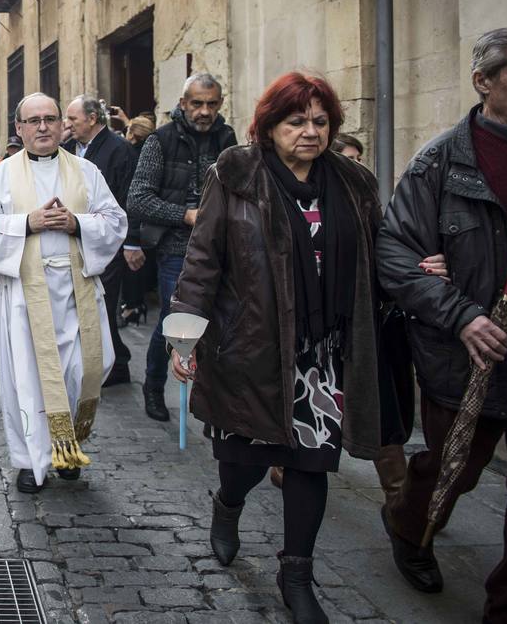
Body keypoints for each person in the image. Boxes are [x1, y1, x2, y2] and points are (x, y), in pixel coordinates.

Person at [168, 71, 383, 624]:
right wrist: (185, 336)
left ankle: (298, 574)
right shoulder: (236, 175)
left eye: (320, 121)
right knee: (244, 462)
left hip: (322, 356)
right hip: (251, 348)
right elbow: (203, 259)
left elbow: (378, 255)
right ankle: (228, 504)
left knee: (311, 466)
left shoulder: (354, 183)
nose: (310, 132)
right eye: (297, 121)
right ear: (269, 127)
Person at [377, 26, 507, 622]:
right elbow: (395, 253)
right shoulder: (442, 161)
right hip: (472, 353)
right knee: (455, 470)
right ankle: (406, 521)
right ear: (484, 82)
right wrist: (461, 314)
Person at [0, 93, 127, 493]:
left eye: (50, 119)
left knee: (86, 369)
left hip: (78, 293)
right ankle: (29, 461)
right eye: (33, 120)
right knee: (28, 379)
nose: (42, 127)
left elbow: (114, 220)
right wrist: (26, 223)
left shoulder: (87, 172)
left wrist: (76, 223)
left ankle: (66, 445)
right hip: (24, 296)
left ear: (62, 126)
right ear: (18, 129)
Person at [128, 72, 237, 422]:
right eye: (197, 103)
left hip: (222, 246)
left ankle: (212, 397)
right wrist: (185, 215)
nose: (204, 111)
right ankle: (154, 386)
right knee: (174, 321)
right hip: (176, 247)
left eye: (211, 104)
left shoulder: (228, 138)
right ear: (182, 103)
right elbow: (138, 199)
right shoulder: (159, 140)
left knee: (221, 321)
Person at [63, 95, 138, 386]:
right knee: (87, 305)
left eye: (73, 119)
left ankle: (107, 365)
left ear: (92, 119)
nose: (68, 125)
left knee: (101, 306)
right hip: (77, 237)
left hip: (107, 242)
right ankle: (117, 360)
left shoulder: (120, 150)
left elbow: (128, 199)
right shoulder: (68, 149)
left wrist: (131, 241)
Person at [119, 113, 157, 330]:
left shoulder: (130, 154)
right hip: (149, 223)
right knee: (142, 266)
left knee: (131, 266)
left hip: (133, 221)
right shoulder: (152, 153)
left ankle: (133, 306)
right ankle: (137, 304)